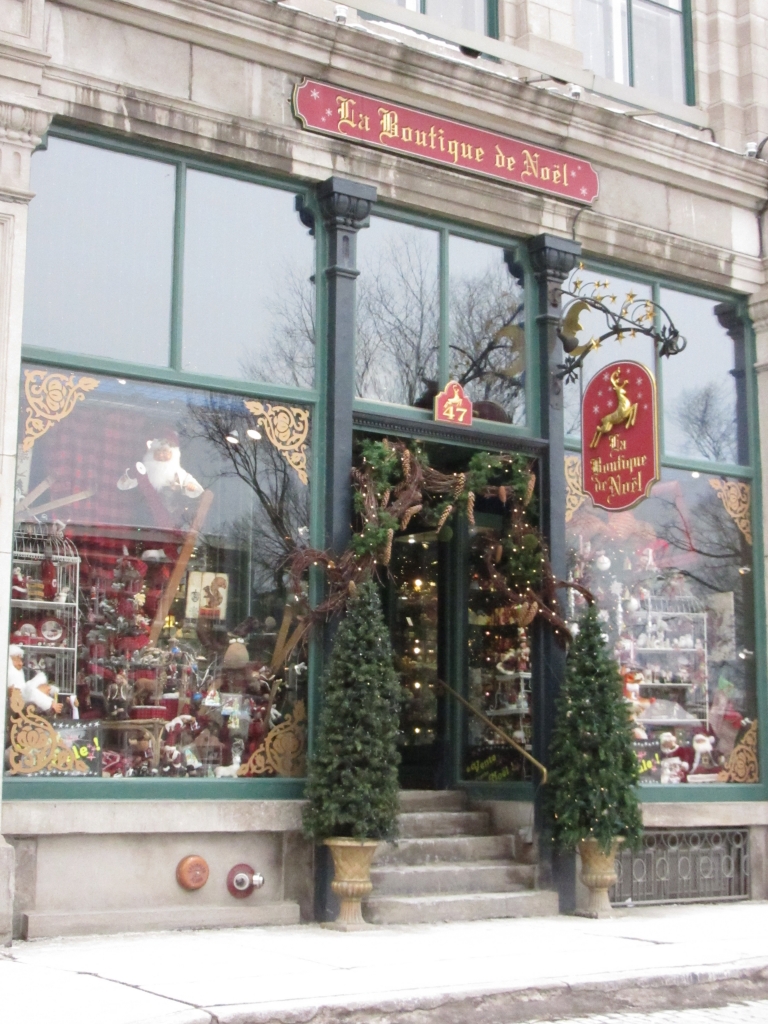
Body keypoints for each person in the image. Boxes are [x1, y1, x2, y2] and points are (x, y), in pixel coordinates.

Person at [7, 644, 62, 713]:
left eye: (20, 659)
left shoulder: (20, 672)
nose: (21, 663)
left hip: (22, 697)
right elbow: (26, 693)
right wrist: (50, 704)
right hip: (19, 701)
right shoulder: (9, 673)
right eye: (17, 659)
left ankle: (49, 693)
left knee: (41, 680)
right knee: (36, 684)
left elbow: (25, 690)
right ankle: (50, 703)